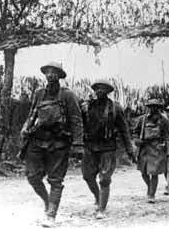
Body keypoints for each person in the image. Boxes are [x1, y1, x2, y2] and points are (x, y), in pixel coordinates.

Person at [20, 62, 83, 228]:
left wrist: (78, 144)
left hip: (59, 142)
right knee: (32, 176)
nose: (50, 75)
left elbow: (76, 119)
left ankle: (51, 215)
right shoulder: (39, 93)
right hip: (37, 140)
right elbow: (32, 113)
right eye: (47, 72)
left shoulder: (68, 95)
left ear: (59, 76)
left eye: (53, 72)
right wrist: (25, 128)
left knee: (55, 180)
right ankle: (48, 202)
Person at [80, 79, 135, 219]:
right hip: (90, 146)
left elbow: (124, 130)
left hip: (108, 147)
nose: (99, 91)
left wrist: (130, 149)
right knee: (87, 175)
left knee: (104, 178)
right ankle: (98, 197)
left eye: (103, 89)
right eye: (97, 88)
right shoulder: (87, 106)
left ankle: (101, 209)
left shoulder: (115, 108)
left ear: (108, 92)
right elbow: (78, 123)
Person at [133, 99, 169, 203]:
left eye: (155, 106)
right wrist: (136, 139)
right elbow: (135, 132)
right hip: (143, 148)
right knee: (143, 172)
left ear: (158, 107)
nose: (153, 108)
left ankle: (152, 195)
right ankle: (150, 186)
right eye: (151, 106)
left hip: (156, 148)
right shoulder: (142, 119)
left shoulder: (163, 119)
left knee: (154, 172)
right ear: (148, 107)